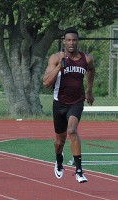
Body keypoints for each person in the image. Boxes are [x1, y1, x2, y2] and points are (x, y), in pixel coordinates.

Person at [42, 29, 95, 183]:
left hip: (77, 102)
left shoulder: (86, 59)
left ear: (78, 41)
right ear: (64, 41)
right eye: (69, 40)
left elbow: (91, 71)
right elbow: (46, 83)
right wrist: (59, 66)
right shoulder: (56, 58)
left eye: (74, 40)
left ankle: (79, 170)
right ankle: (59, 160)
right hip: (59, 103)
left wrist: (89, 91)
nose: (72, 43)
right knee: (59, 142)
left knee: (72, 130)